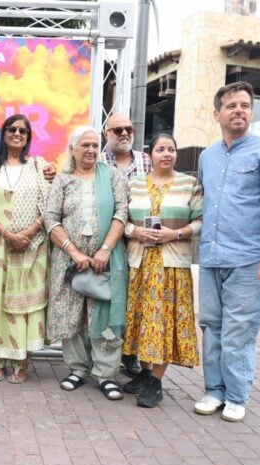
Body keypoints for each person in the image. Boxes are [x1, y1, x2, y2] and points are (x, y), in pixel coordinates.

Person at [193, 81, 260, 422]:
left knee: (239, 331)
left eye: (245, 105)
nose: (239, 110)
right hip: (211, 257)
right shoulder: (208, 156)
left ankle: (236, 396)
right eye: (232, 105)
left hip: (250, 260)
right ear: (217, 113)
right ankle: (214, 391)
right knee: (211, 327)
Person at [44, 125, 128, 400]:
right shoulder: (63, 179)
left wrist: (104, 250)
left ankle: (106, 374)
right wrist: (74, 252)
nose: (91, 150)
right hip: (69, 261)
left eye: (95, 145)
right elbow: (51, 218)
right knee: (73, 314)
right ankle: (78, 369)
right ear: (73, 150)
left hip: (106, 260)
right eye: (85, 145)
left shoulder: (111, 175)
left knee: (104, 311)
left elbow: (121, 212)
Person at [121, 133, 203, 408]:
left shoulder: (189, 184)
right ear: (150, 154)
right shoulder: (134, 184)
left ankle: (156, 381)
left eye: (171, 149)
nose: (166, 154)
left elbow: (202, 220)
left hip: (172, 267)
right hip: (140, 264)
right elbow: (121, 220)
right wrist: (135, 230)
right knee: (142, 320)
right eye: (160, 149)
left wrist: (176, 234)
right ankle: (145, 373)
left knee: (165, 322)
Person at [0, 114, 51, 384]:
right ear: (4, 133)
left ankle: (21, 361)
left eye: (23, 131)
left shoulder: (39, 167)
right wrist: (9, 235)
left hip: (32, 247)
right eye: (12, 129)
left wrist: (27, 234)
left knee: (25, 304)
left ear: (28, 137)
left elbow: (49, 204)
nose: (17, 134)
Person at [100, 112, 152, 378]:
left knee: (133, 301)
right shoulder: (96, 161)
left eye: (128, 129)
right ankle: (102, 353)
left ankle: (130, 354)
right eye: (117, 129)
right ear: (106, 134)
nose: (124, 134)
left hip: (139, 244)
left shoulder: (146, 161)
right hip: (104, 241)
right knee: (105, 300)